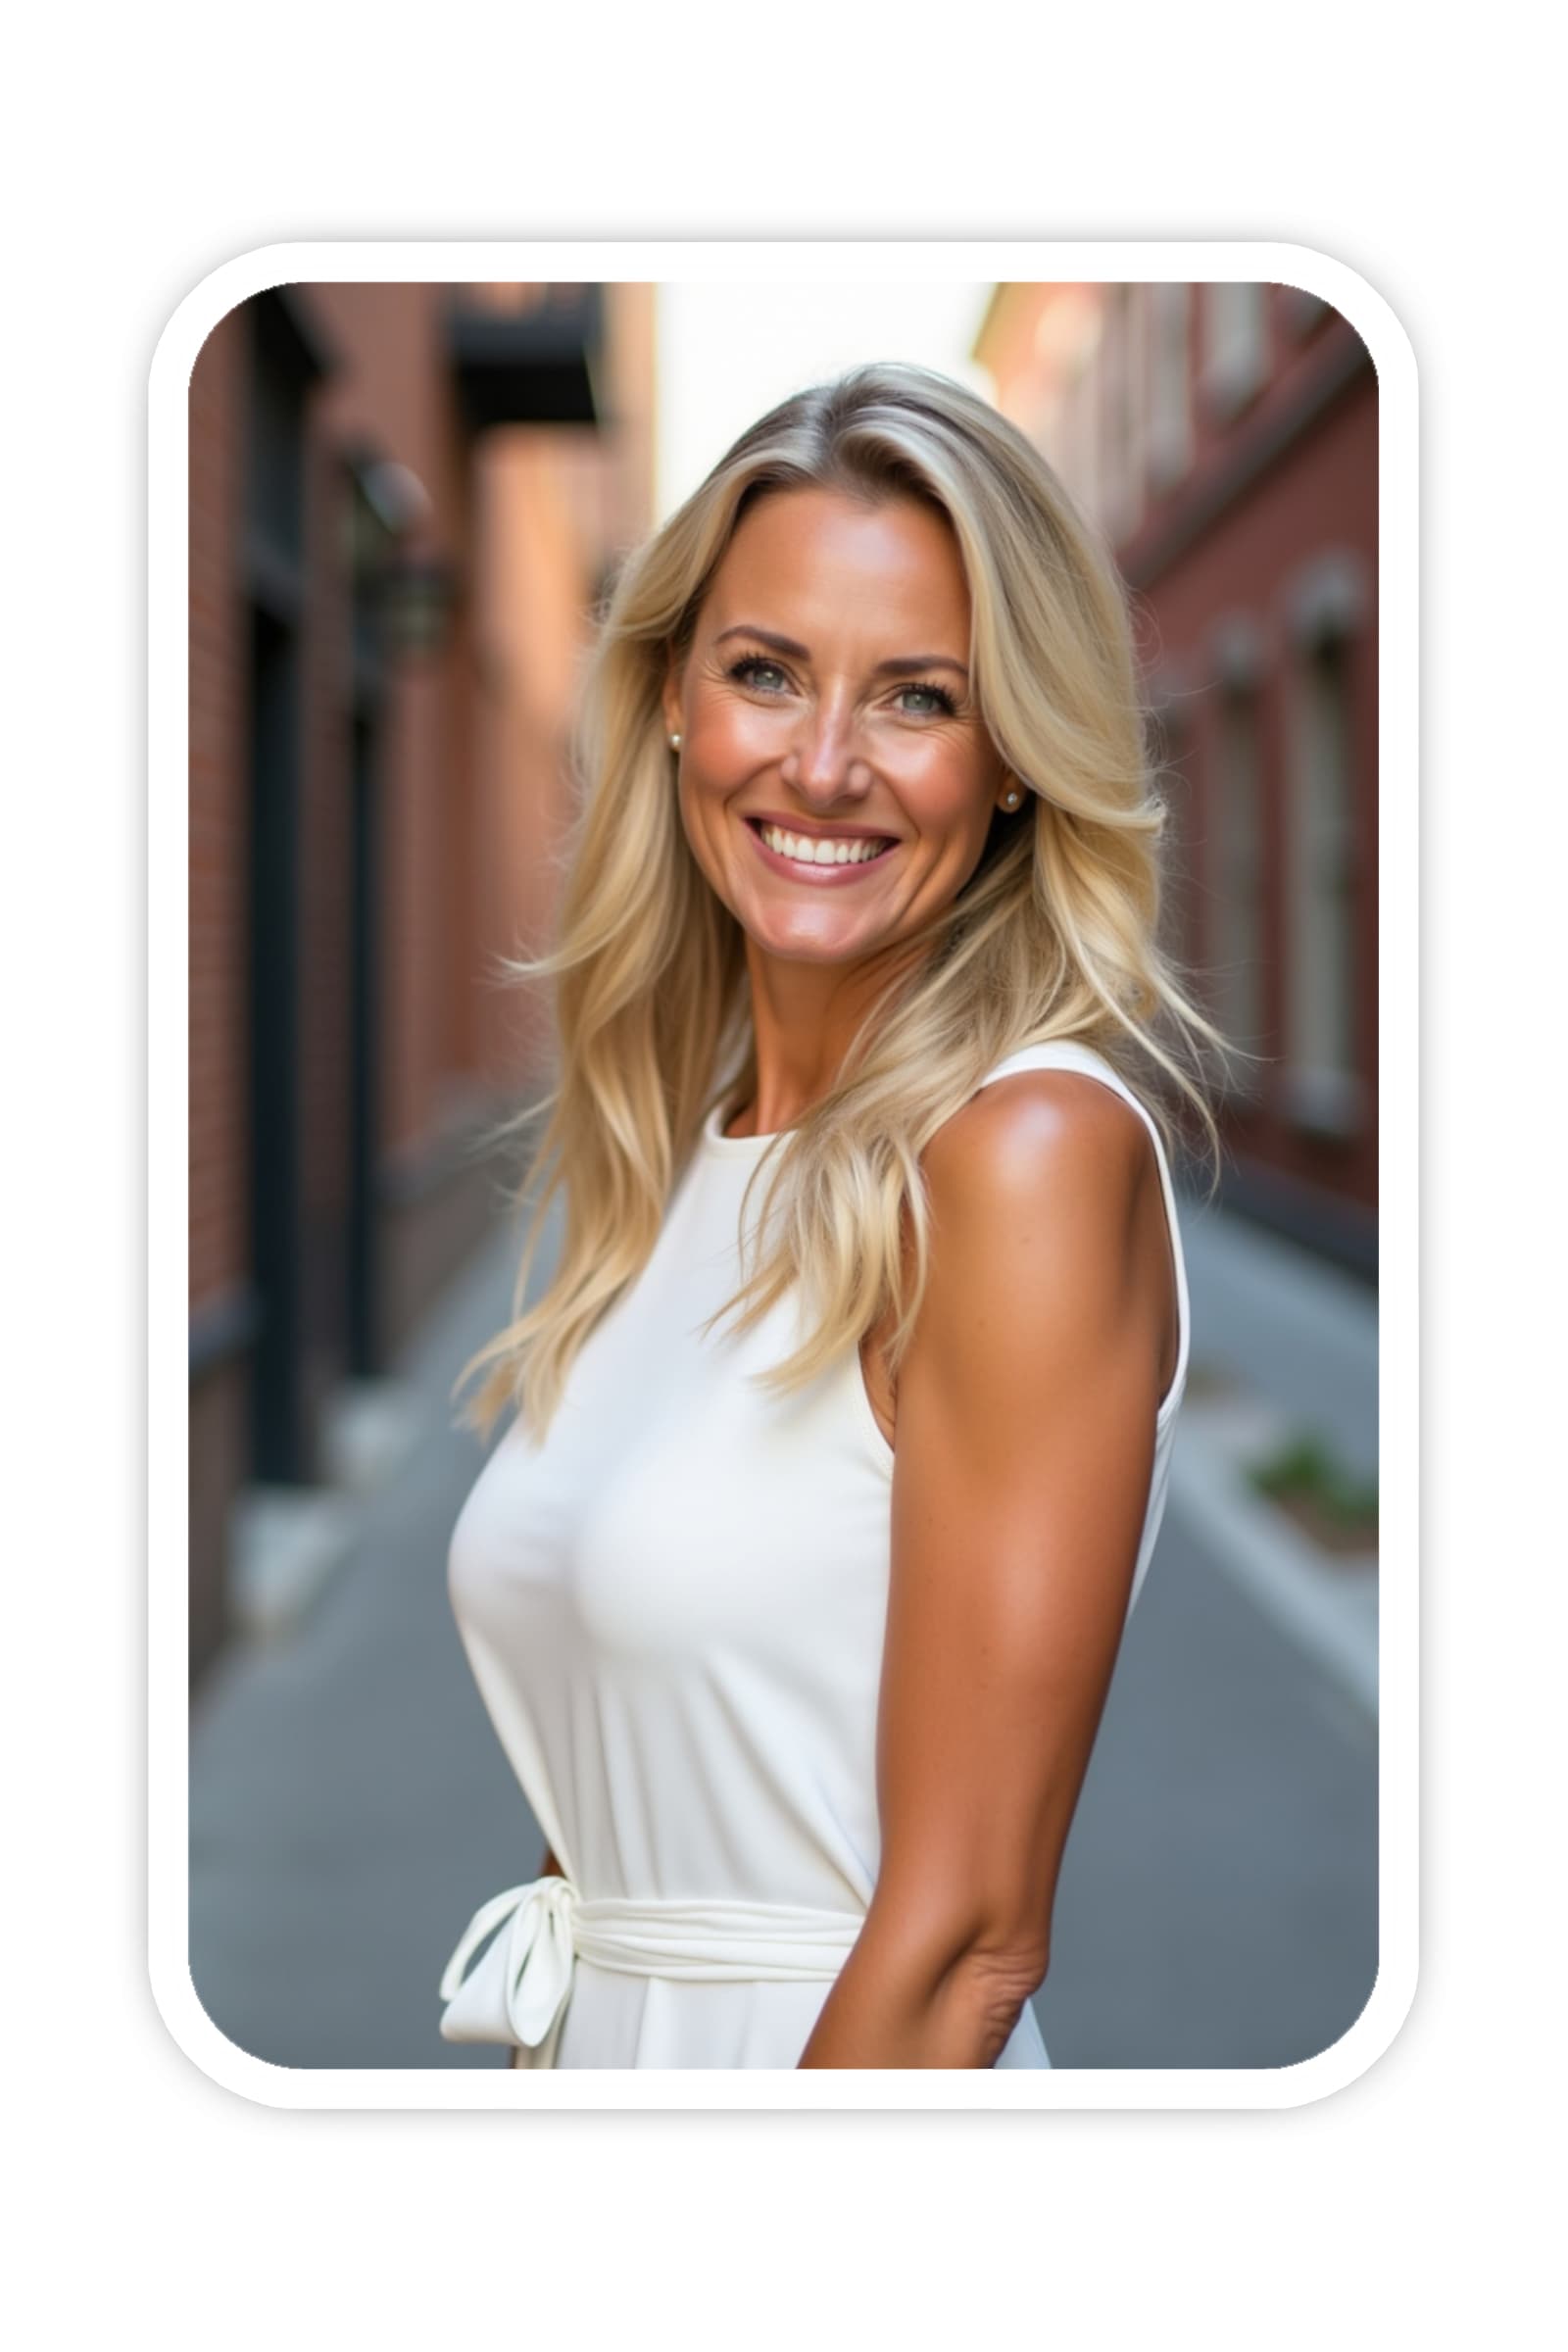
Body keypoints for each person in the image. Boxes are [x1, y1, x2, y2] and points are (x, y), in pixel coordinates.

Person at [437, 361, 1229, 2070]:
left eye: (919, 698)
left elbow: (966, 1944)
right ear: (669, 701)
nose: (822, 764)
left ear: (1014, 756)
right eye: (766, 672)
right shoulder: (674, 1153)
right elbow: (624, 1801)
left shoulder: (1021, 1156)